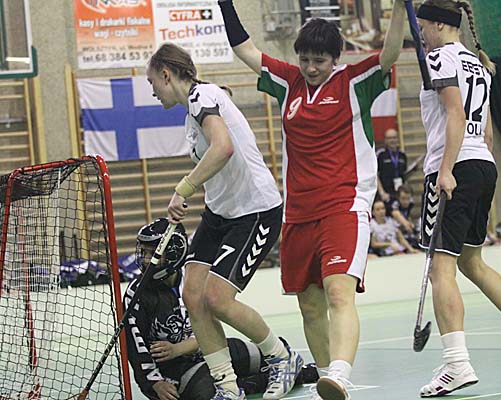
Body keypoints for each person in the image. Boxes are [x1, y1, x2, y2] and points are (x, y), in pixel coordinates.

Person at [217, 1, 407, 399]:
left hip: (343, 205)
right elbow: (245, 49)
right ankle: (326, 378)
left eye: (319, 60)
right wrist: (225, 5)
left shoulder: (354, 81)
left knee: (339, 293)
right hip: (298, 212)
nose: (311, 68)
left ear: (335, 59)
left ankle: (340, 373)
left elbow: (389, 54)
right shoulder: (288, 82)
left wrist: (400, 11)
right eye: (304, 59)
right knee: (310, 305)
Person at [146, 43, 303, 400]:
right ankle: (227, 386)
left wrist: (183, 189)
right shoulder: (193, 111)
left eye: (152, 82)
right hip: (220, 213)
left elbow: (223, 147)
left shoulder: (202, 96)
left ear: (166, 75)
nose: (152, 90)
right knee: (192, 294)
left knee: (217, 298)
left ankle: (282, 357)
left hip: (255, 212)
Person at [415, 1, 501, 397]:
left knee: (440, 269)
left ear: (439, 24)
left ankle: (456, 364)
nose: (421, 35)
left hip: (453, 168)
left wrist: (445, 170)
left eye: (423, 27)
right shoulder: (478, 63)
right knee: (472, 262)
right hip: (482, 165)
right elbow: (487, 132)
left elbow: (455, 115)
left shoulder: (439, 59)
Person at [125, 219, 318, 400]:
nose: (146, 260)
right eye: (144, 253)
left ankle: (290, 370)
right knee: (204, 390)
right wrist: (154, 382)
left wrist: (178, 349)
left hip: (209, 351)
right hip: (175, 371)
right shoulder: (136, 294)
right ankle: (254, 384)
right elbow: (135, 348)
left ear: (174, 253)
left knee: (257, 356)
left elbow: (210, 332)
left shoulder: (194, 282)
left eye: (154, 254)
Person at [377, 128, 408, 210]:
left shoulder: (402, 155)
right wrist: (382, 192)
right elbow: (375, 175)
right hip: (386, 193)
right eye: (389, 138)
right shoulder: (381, 155)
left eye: (394, 137)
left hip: (400, 194)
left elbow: (404, 174)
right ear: (385, 140)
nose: (392, 140)